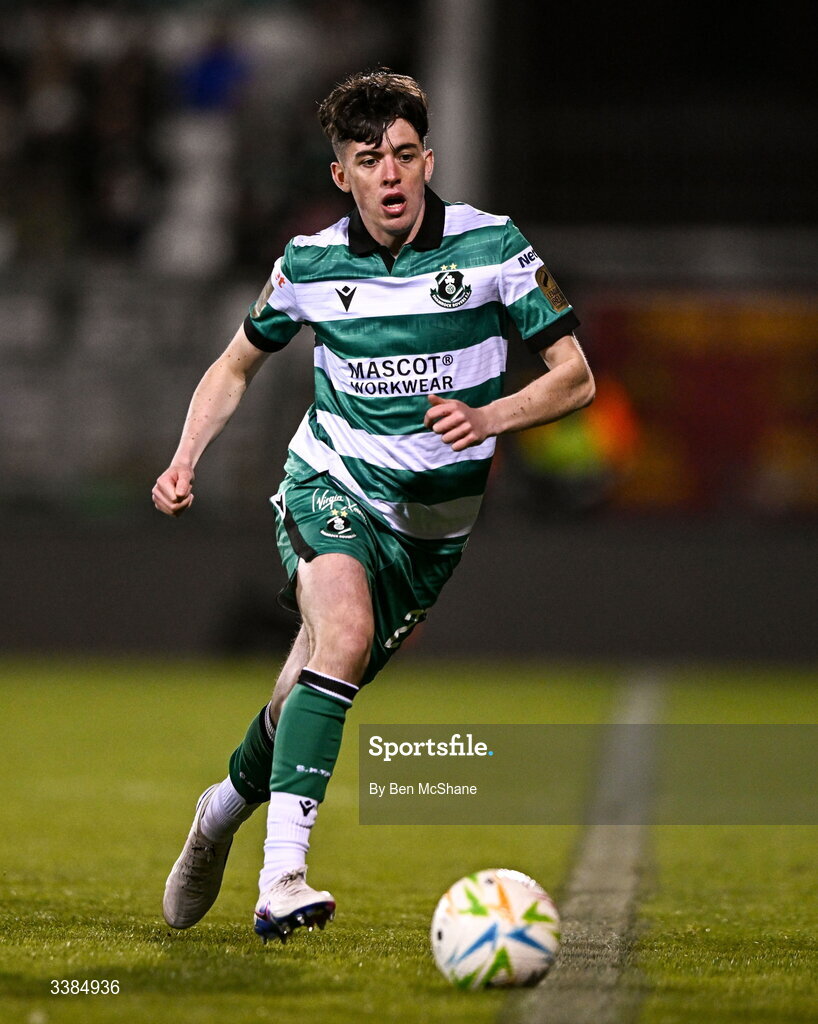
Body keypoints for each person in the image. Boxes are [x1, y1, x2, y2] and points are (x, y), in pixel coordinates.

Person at [152, 69, 594, 944]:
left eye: (402, 154)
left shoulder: (493, 247)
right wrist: (184, 457)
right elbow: (236, 363)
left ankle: (222, 810)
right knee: (342, 633)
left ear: (428, 159)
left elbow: (574, 375)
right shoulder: (310, 264)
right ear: (341, 177)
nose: (389, 175)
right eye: (368, 159)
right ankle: (282, 877)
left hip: (430, 538)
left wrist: (488, 414)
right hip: (332, 484)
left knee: (301, 698)